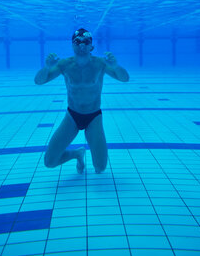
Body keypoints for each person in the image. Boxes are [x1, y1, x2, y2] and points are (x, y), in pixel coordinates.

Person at [34, 28, 129, 174]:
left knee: (100, 167)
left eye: (86, 42)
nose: (82, 45)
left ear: (91, 45)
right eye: (77, 42)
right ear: (72, 45)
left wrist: (116, 66)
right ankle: (76, 154)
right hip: (72, 116)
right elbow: (39, 81)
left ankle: (83, 154)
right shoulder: (64, 65)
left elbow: (124, 78)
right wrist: (46, 68)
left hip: (94, 116)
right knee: (50, 162)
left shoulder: (100, 64)